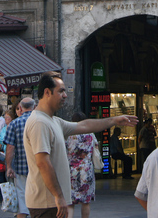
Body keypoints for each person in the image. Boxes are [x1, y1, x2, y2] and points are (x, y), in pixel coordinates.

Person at [24, 71, 138, 218]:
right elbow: (43, 163)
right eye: (61, 91)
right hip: (47, 203)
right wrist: (58, 196)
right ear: (47, 92)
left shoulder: (53, 121)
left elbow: (83, 126)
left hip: (54, 202)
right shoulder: (39, 122)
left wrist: (114, 120)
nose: (65, 95)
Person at [6, 97, 36, 218]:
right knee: (38, 200)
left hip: (21, 168)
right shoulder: (40, 121)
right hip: (40, 168)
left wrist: (9, 166)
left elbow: (10, 148)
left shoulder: (14, 123)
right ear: (34, 107)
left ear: (21, 108)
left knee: (22, 201)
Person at [66, 111, 98, 218]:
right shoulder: (90, 134)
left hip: (71, 171)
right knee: (86, 201)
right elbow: (96, 148)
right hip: (86, 170)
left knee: (70, 202)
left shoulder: (68, 135)